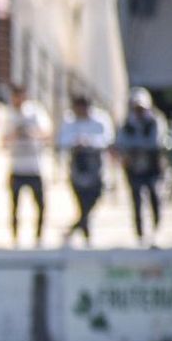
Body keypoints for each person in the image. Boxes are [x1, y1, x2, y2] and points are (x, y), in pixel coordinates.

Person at [115, 87, 171, 247]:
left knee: (154, 195)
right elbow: (121, 143)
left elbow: (155, 142)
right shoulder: (127, 123)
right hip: (133, 168)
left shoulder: (155, 120)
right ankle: (139, 233)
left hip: (152, 166)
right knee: (136, 199)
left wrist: (135, 147)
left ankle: (156, 228)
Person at [58, 94, 113, 246]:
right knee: (81, 203)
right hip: (77, 167)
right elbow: (62, 140)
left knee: (94, 200)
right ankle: (87, 237)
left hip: (96, 168)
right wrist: (76, 142)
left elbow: (107, 139)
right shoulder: (69, 120)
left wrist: (89, 141)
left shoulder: (100, 119)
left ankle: (73, 230)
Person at [4, 84, 52, 246]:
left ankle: (38, 237)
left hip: (34, 167)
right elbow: (3, 140)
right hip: (17, 167)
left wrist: (31, 132)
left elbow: (47, 134)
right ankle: (15, 238)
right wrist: (15, 133)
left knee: (40, 205)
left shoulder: (35, 112)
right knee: (15, 207)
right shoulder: (9, 115)